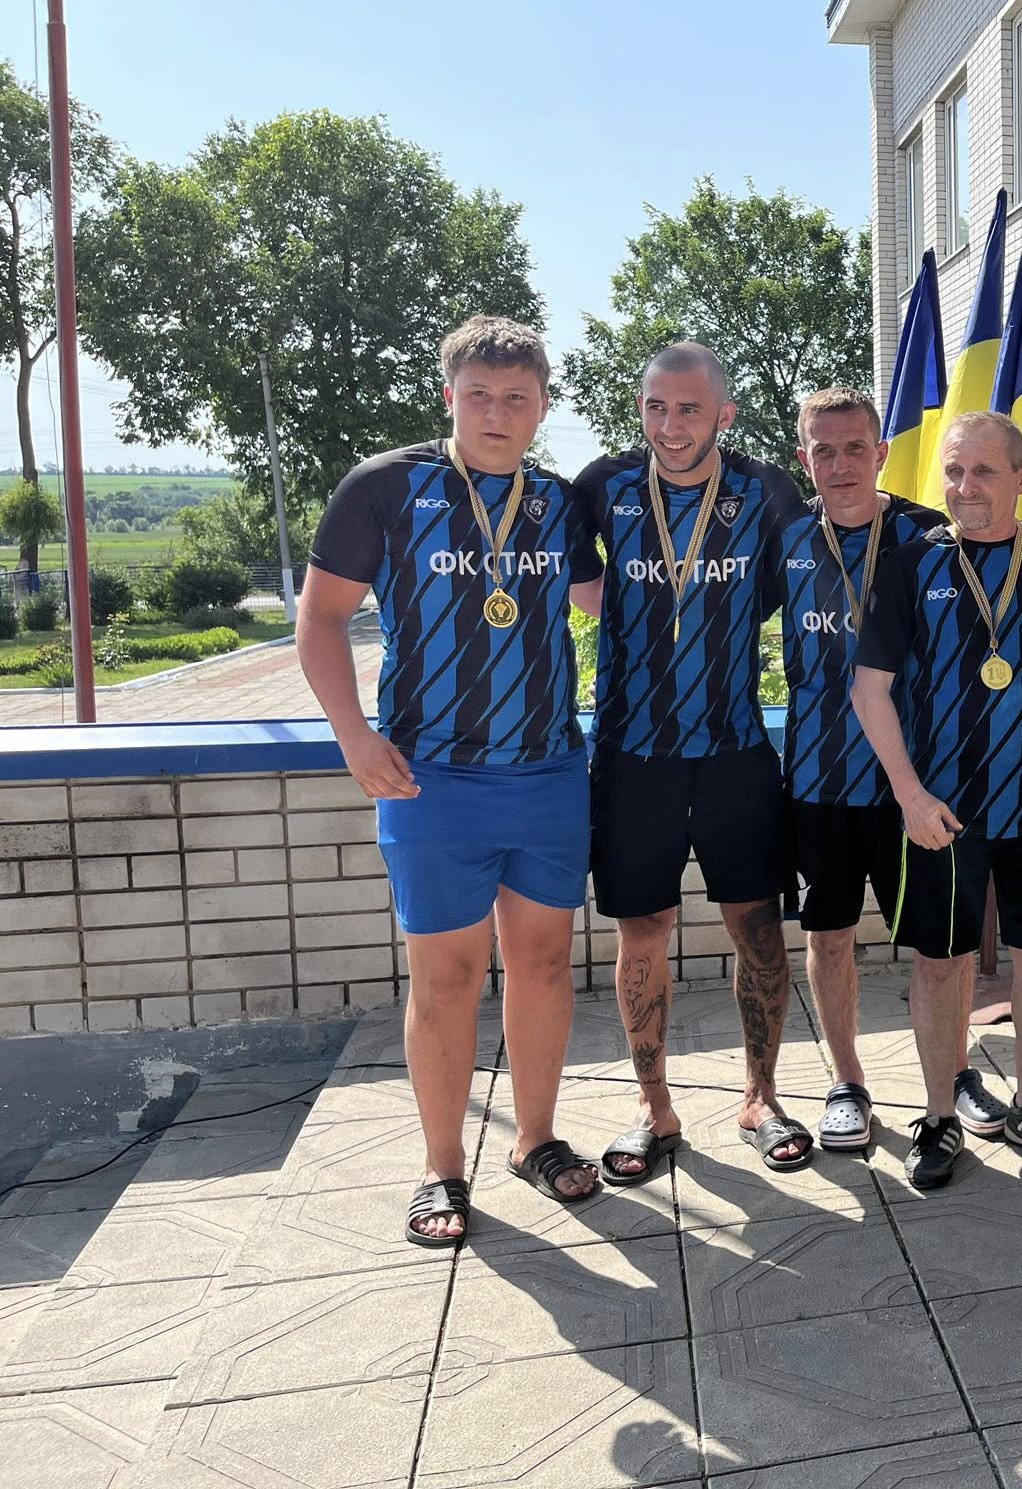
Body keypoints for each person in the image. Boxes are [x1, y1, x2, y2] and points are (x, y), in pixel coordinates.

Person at [297, 315, 604, 1247]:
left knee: (544, 965)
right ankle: (441, 1167)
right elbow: (320, 620)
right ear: (449, 397)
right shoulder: (386, 487)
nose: (497, 413)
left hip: (550, 771)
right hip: (431, 779)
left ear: (543, 407)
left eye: (517, 397)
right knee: (446, 977)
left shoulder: (559, 502)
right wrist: (354, 738)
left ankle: (536, 1139)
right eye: (480, 395)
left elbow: (612, 600)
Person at [573, 343, 810, 1180]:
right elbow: (574, 578)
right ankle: (654, 1107)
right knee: (642, 932)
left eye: (689, 410)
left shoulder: (766, 490)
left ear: (724, 415)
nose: (670, 426)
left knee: (758, 930)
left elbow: (797, 579)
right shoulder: (603, 485)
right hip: (631, 756)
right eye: (655, 407)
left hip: (736, 751)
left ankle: (761, 1098)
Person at [852, 411, 1022, 1189]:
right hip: (943, 812)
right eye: (954, 471)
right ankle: (938, 1117)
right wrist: (909, 795)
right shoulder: (910, 565)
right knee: (939, 968)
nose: (964, 487)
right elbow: (869, 689)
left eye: (984, 471)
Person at [774, 386, 987, 1152]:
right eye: (823, 451)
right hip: (819, 783)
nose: (840, 465)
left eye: (854, 448)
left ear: (881, 453)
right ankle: (847, 1082)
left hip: (918, 789)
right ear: (804, 459)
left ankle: (955, 1072)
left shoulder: (931, 535)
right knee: (829, 936)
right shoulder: (786, 539)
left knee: (943, 945)